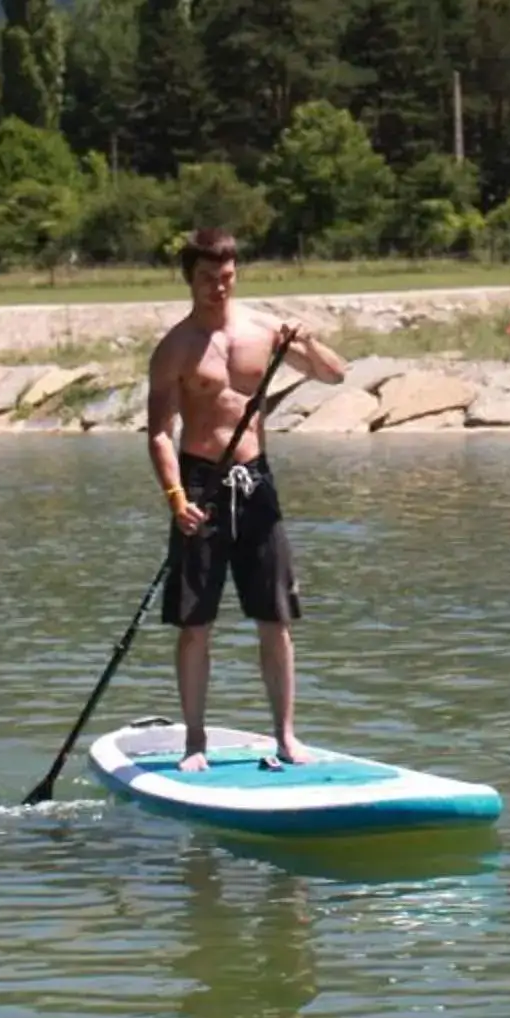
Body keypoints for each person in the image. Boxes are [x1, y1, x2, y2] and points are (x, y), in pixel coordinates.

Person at [145, 228, 347, 769]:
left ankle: (285, 737)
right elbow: (160, 432)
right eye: (209, 278)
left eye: (228, 277)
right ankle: (193, 742)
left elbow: (334, 375)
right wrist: (175, 496)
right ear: (190, 278)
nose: (220, 288)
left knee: (275, 617)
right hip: (199, 486)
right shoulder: (176, 348)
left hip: (255, 483)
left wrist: (303, 342)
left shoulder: (264, 329)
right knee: (195, 624)